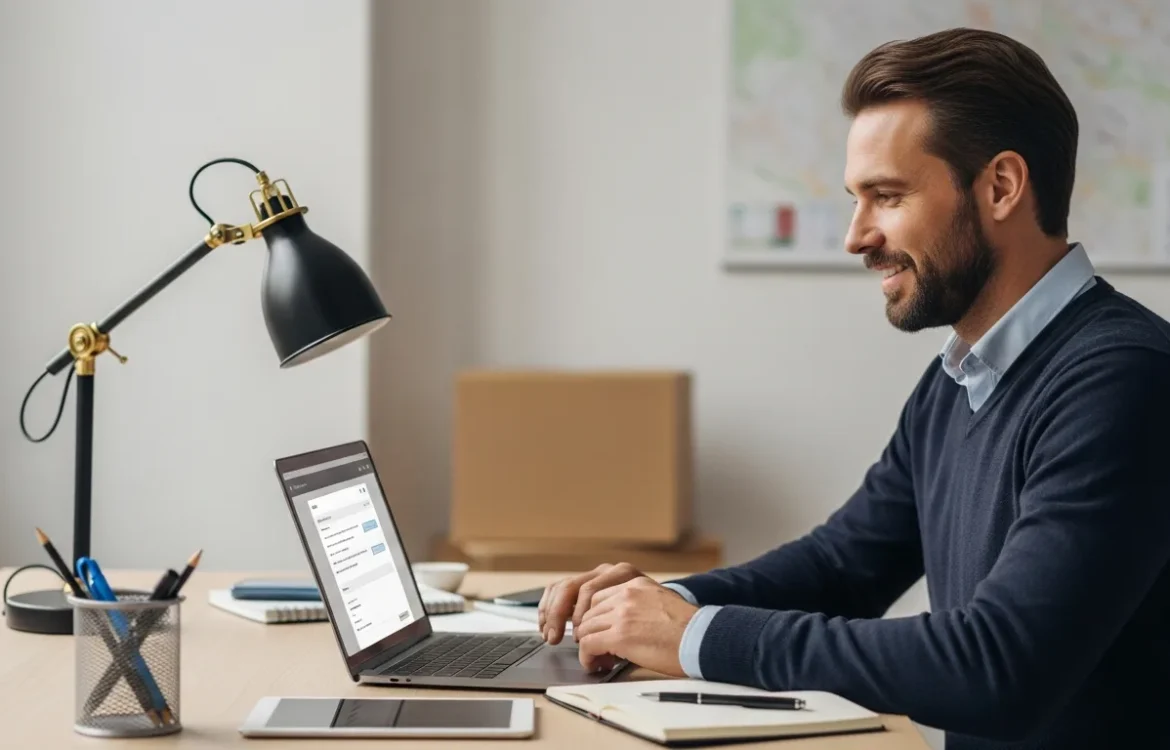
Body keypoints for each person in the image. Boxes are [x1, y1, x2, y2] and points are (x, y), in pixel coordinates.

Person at [537, 28, 1170, 750]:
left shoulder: (1123, 380)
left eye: (887, 196)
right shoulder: (960, 377)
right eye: (856, 199)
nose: (856, 236)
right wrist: (660, 603)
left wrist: (693, 637)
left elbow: (998, 666)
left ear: (1000, 187)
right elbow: (842, 566)